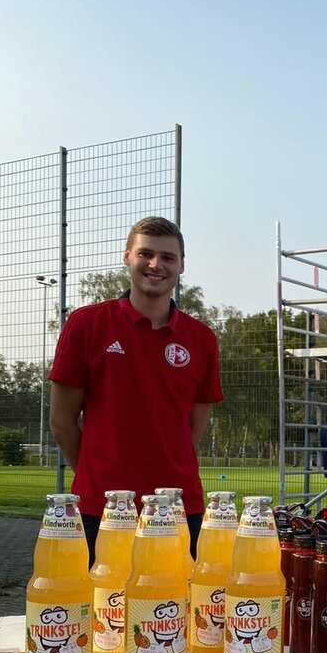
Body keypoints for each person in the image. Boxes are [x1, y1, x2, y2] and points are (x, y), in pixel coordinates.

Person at [49, 216, 223, 563]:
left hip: (178, 508)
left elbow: (195, 423)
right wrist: (96, 471)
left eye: (168, 257)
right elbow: (61, 421)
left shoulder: (201, 339)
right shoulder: (87, 325)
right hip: (103, 508)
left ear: (182, 266)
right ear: (127, 256)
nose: (156, 265)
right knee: (101, 612)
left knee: (175, 612)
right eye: (146, 254)